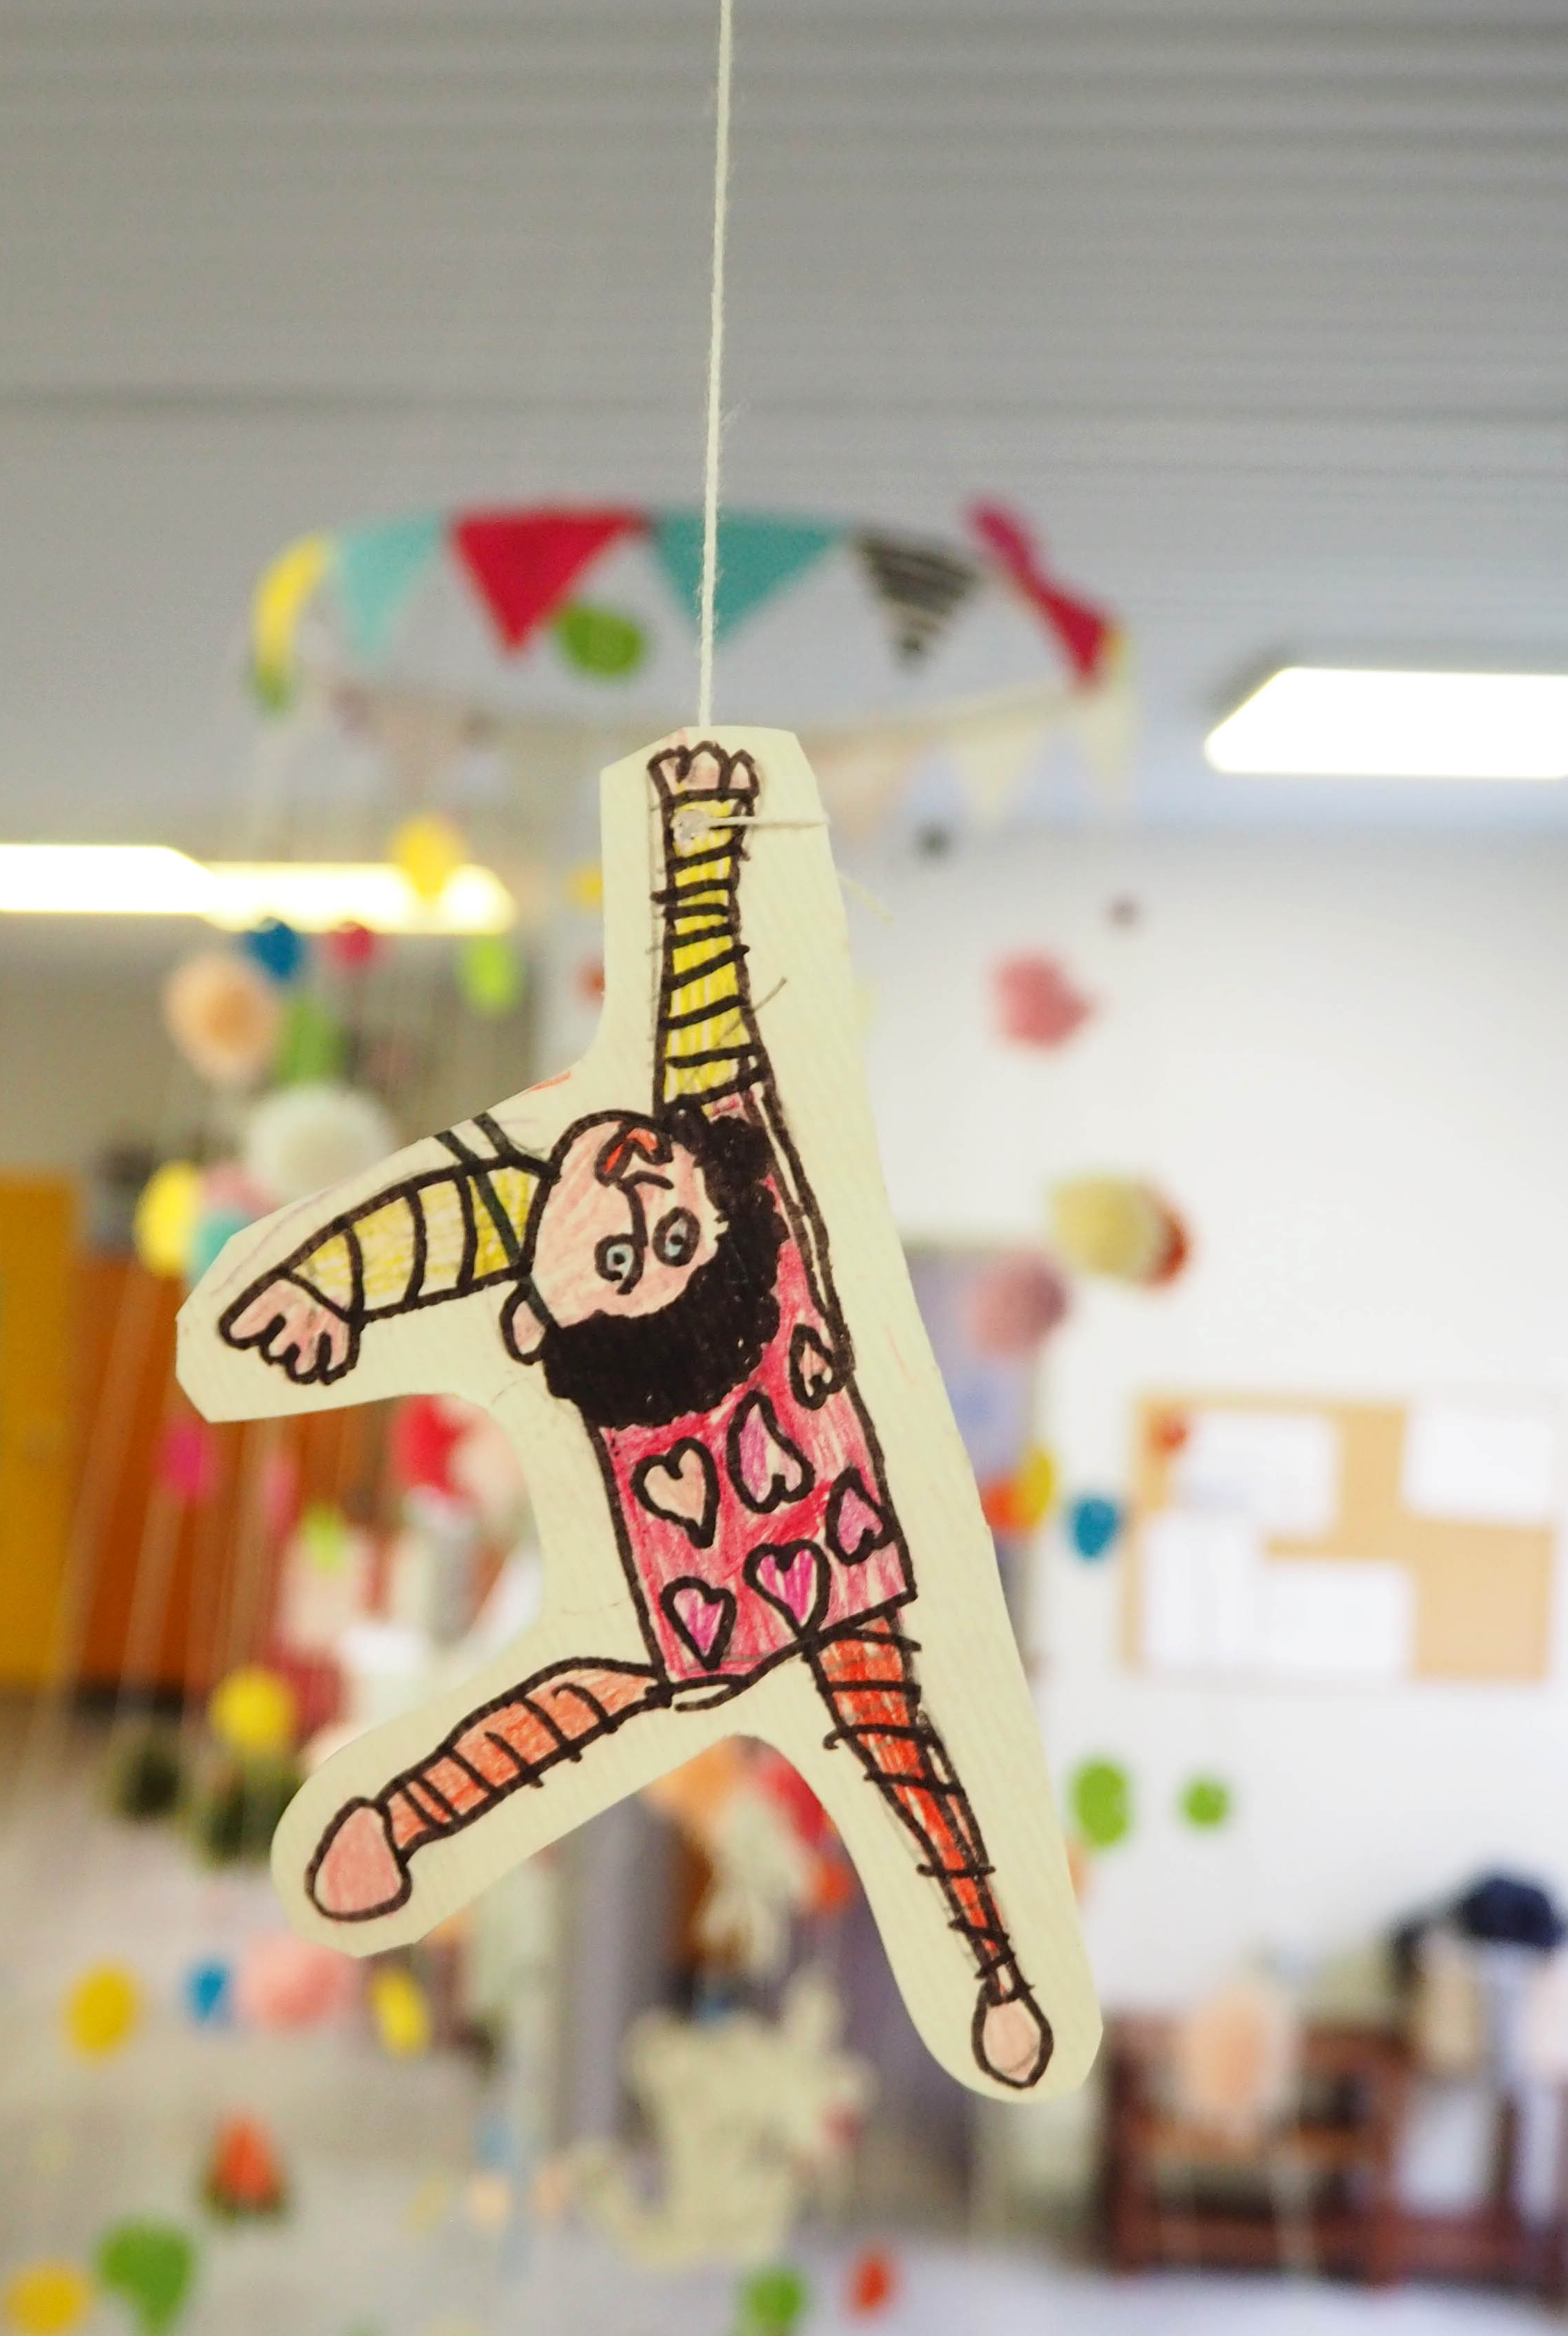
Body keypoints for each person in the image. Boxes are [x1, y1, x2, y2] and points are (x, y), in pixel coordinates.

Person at [220, 742, 1052, 2086]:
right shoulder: (615, 1192)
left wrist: (707, 846)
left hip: (807, 1586)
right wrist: (324, 1286)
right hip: (700, 1605)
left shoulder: (711, 1187)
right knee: (575, 1713)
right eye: (640, 1237)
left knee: (898, 1765)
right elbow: (448, 1217)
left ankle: (999, 1970)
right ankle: (409, 1819)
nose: (643, 1200)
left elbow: (690, 1033)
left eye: (648, 1234)